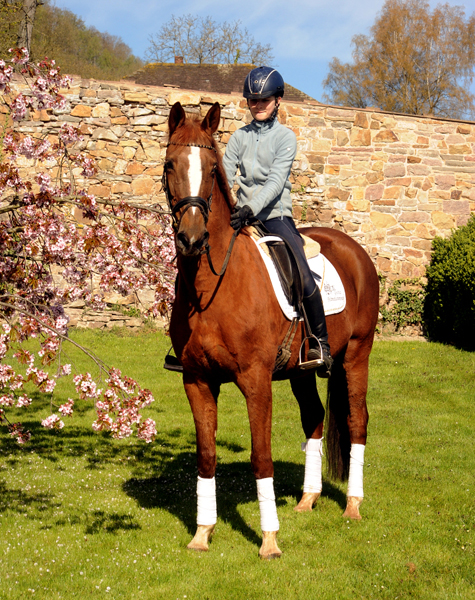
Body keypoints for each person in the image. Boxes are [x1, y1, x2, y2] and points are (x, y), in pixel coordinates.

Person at [222, 66, 333, 377]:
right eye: (252, 101)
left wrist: (250, 208)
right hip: (240, 217)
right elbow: (224, 174)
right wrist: (223, 208)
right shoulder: (238, 138)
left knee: (300, 272)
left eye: (264, 100)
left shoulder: (286, 138)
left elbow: (274, 182)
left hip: (275, 217)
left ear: (278, 100)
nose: (258, 106)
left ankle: (319, 343)